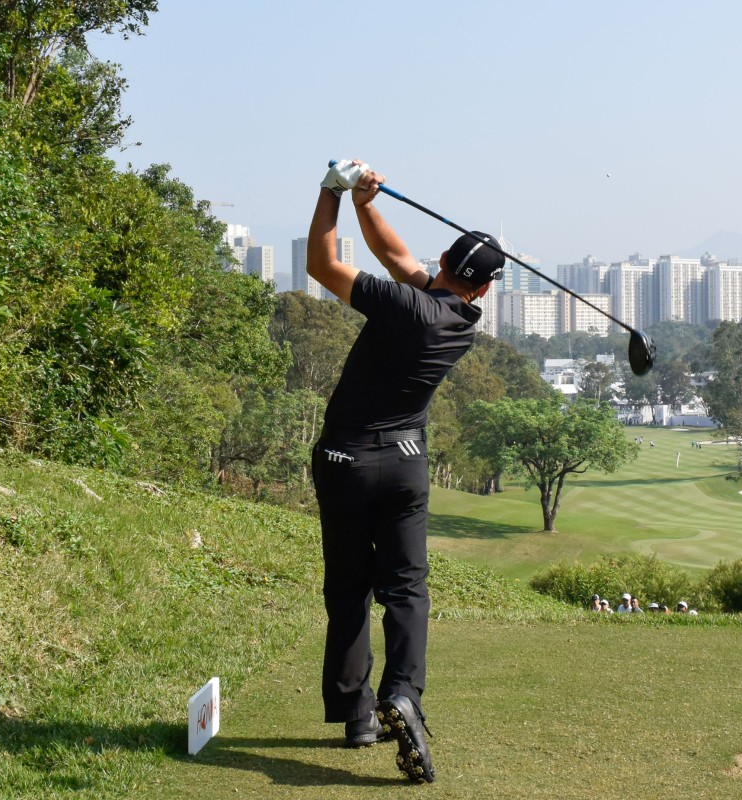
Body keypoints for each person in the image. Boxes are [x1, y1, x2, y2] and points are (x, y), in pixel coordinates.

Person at [306, 159, 503, 784]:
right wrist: (368, 203)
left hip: (345, 460)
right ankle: (404, 696)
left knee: (349, 587)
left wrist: (331, 193)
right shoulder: (462, 320)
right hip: (407, 464)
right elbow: (396, 257)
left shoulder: (404, 304)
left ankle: (357, 712)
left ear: (444, 259)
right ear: (485, 289)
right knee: (407, 589)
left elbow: (323, 266)